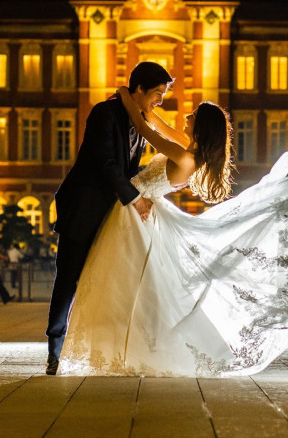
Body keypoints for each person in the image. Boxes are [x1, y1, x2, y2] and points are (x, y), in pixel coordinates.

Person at [59, 94, 288, 377]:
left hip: (136, 216)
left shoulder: (184, 156)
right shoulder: (190, 151)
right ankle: (128, 344)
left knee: (136, 287)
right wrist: (145, 108)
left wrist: (129, 100)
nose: (184, 118)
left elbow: (144, 129)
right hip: (138, 213)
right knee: (143, 288)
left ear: (199, 126)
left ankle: (134, 346)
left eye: (191, 117)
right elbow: (158, 125)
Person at [45, 61, 175, 375]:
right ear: (139, 89)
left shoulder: (140, 119)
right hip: (84, 208)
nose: (160, 101)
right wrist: (134, 198)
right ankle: (54, 349)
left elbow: (129, 170)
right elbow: (104, 163)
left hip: (113, 215)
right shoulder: (103, 114)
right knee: (68, 278)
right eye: (157, 93)